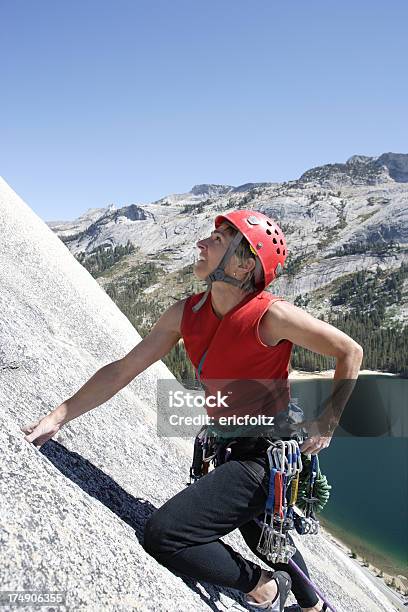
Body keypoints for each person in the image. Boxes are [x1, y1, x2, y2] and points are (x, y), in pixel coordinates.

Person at [22, 210, 363, 612]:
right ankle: (313, 605)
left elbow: (349, 351)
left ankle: (265, 587)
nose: (201, 244)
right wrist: (59, 415)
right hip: (229, 449)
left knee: (165, 535)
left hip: (265, 456)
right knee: (265, 537)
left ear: (243, 262)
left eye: (216, 240)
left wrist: (328, 420)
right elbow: (122, 370)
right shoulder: (186, 313)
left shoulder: (272, 316)